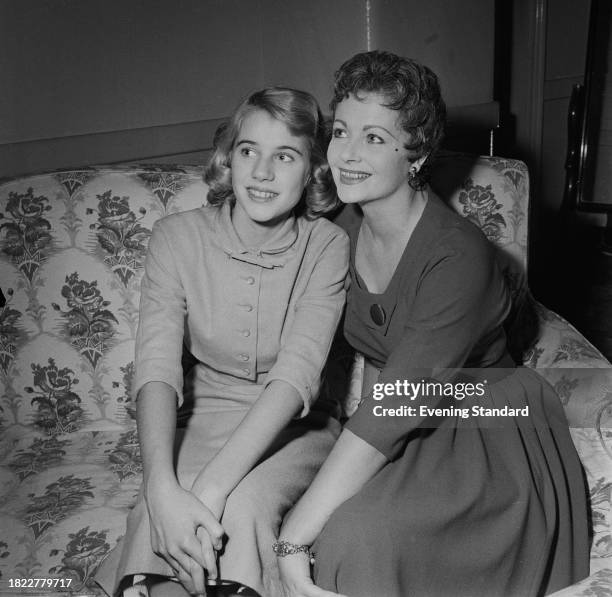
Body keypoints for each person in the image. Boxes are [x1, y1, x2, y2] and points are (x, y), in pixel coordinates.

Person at [277, 50, 589, 597]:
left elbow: (402, 397)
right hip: (396, 417)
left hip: (489, 427)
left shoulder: (458, 255)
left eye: (375, 138)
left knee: (353, 538)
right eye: (342, 131)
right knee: (342, 534)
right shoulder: (337, 230)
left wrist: (293, 536)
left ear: (416, 154)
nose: (346, 154)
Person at [94, 87, 349, 597]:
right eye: (249, 150)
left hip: (293, 426)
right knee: (163, 512)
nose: (261, 172)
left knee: (244, 501)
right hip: (203, 415)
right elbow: (157, 365)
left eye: (285, 156)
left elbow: (298, 374)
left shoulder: (327, 246)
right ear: (227, 158)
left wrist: (211, 488)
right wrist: (161, 487)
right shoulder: (174, 236)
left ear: (312, 170)